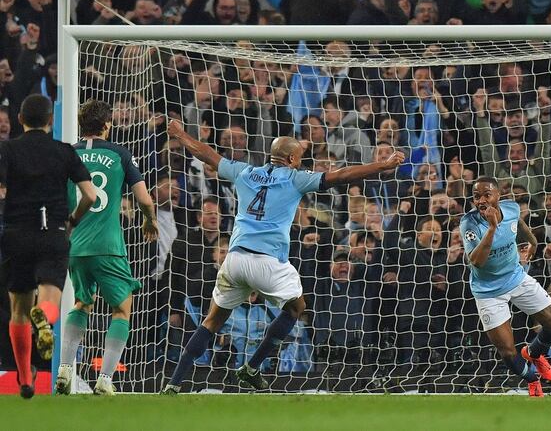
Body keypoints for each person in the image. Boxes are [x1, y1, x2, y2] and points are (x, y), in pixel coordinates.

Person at [160, 120, 404, 394]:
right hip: (267, 261)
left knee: (212, 321)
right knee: (296, 308)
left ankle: (173, 382)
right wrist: (381, 166)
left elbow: (208, 154)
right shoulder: (294, 178)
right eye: (299, 158)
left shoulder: (245, 172)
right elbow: (342, 175)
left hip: (236, 258)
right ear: (290, 159)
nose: (301, 163)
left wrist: (181, 134)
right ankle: (251, 369)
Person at [55, 100, 159, 396]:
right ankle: (105, 378)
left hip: (74, 245)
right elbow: (145, 199)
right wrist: (149, 220)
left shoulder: (68, 155)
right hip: (108, 246)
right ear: (107, 125)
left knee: (81, 303)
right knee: (122, 309)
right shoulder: (119, 154)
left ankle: (64, 369)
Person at [0, 94, 97, 399]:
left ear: (19, 119)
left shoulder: (7, 149)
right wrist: (73, 220)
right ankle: (44, 317)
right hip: (53, 232)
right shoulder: (64, 151)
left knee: (18, 310)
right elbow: (90, 195)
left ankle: (25, 378)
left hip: (17, 234)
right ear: (50, 120)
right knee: (50, 296)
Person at [459, 177, 551, 397]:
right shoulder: (469, 224)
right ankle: (533, 380)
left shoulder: (512, 208)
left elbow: (519, 224)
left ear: (498, 195)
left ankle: (534, 353)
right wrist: (491, 229)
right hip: (488, 292)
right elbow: (476, 260)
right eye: (476, 196)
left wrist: (533, 242)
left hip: (516, 277)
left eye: (487, 194)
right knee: (507, 350)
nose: (481, 200)